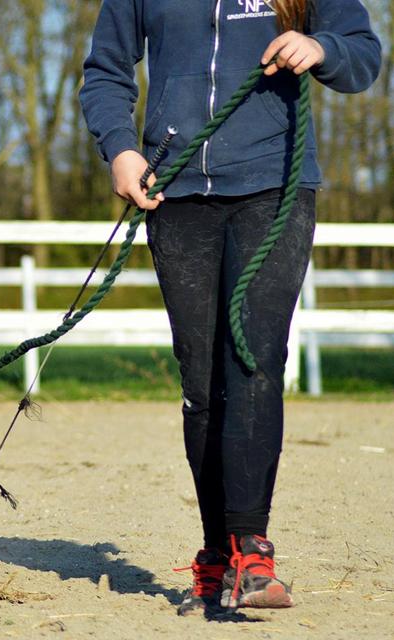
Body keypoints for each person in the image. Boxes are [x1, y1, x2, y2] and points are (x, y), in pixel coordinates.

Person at [79, 0, 381, 616]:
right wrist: (119, 149)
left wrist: (322, 49)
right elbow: (106, 71)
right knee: (201, 381)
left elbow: (363, 55)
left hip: (274, 186)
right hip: (177, 190)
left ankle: (252, 551)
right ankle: (216, 556)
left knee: (254, 356)